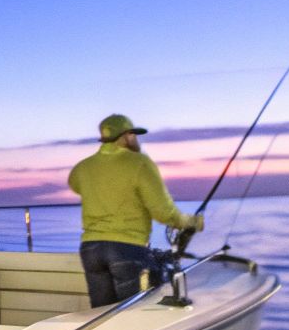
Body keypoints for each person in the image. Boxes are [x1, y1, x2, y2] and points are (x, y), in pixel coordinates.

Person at [68, 114, 204, 307]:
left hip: (91, 250)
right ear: (125, 136)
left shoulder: (82, 167)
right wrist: (192, 222)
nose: (135, 139)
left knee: (100, 315)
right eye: (133, 134)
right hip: (125, 248)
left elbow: (74, 184)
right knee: (134, 312)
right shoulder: (139, 163)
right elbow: (163, 212)